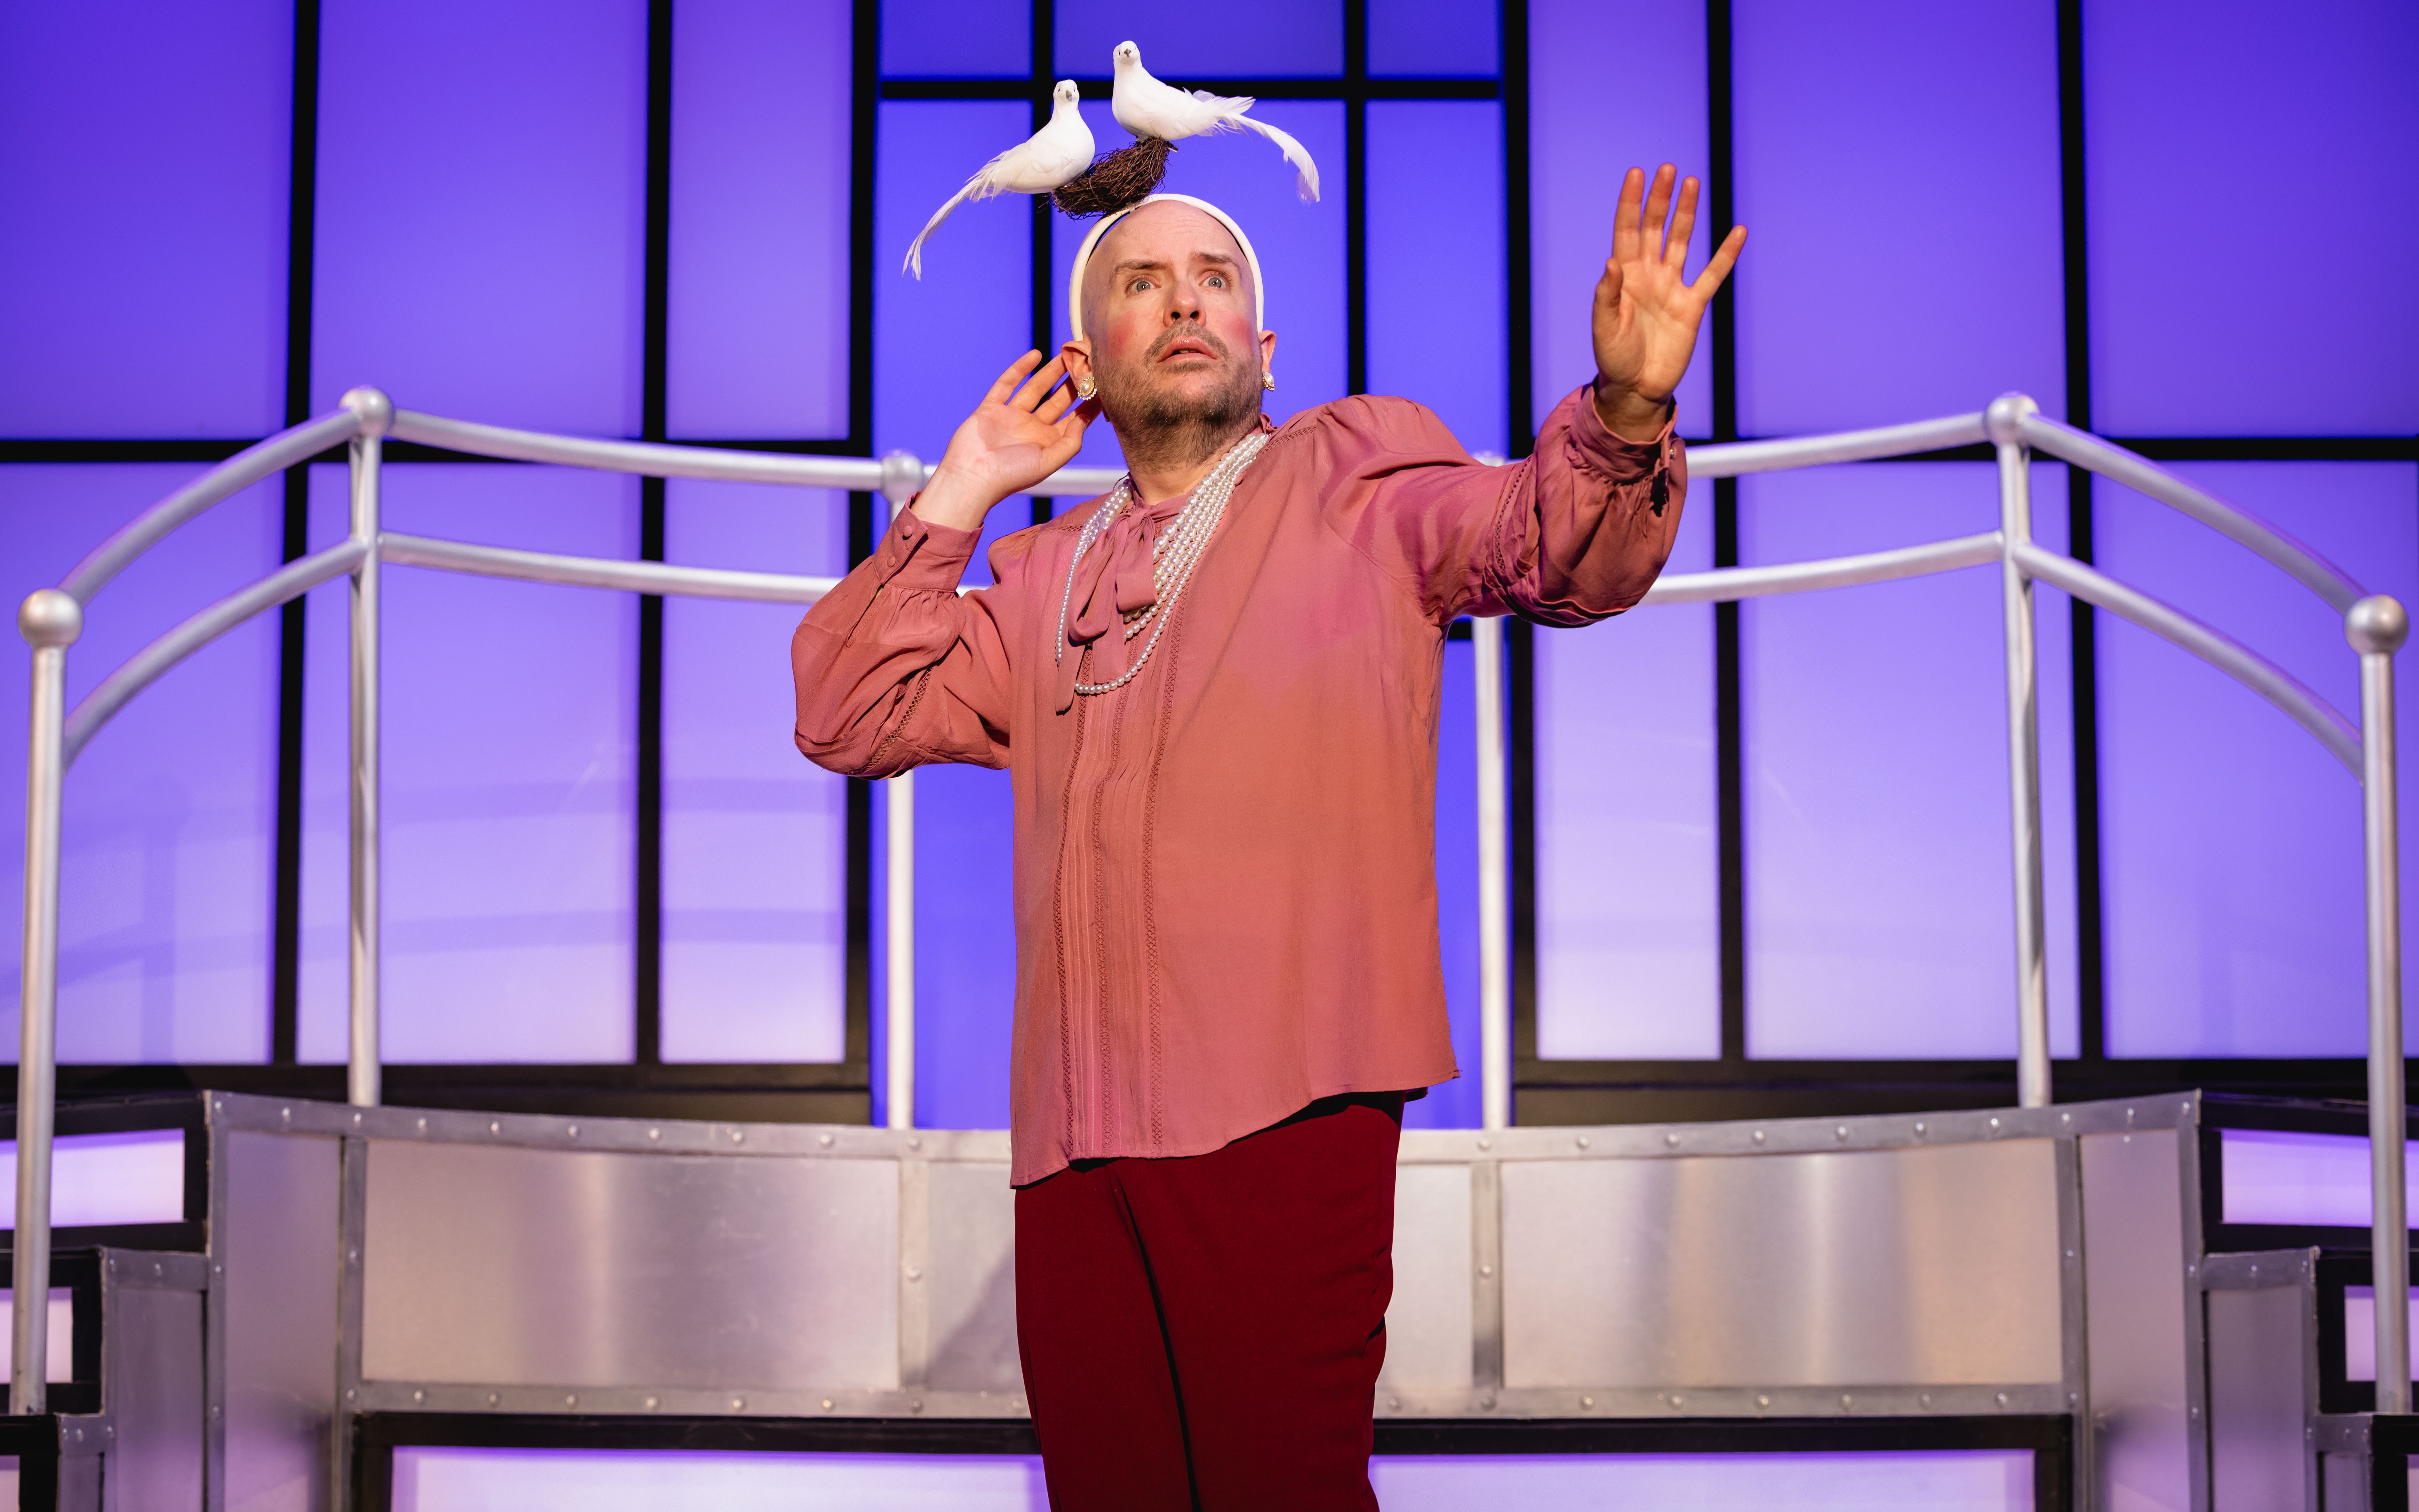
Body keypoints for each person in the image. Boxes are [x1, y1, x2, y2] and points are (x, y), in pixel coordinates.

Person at [792, 164, 1744, 1510]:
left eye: (1214, 281)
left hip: (1283, 1105)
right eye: (1141, 283)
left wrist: (1627, 409)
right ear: (1086, 362)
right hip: (1073, 1145)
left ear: (1263, 344)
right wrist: (963, 488)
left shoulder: (1356, 478)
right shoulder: (1036, 579)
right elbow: (842, 710)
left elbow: (1552, 547)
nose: (1184, 303)